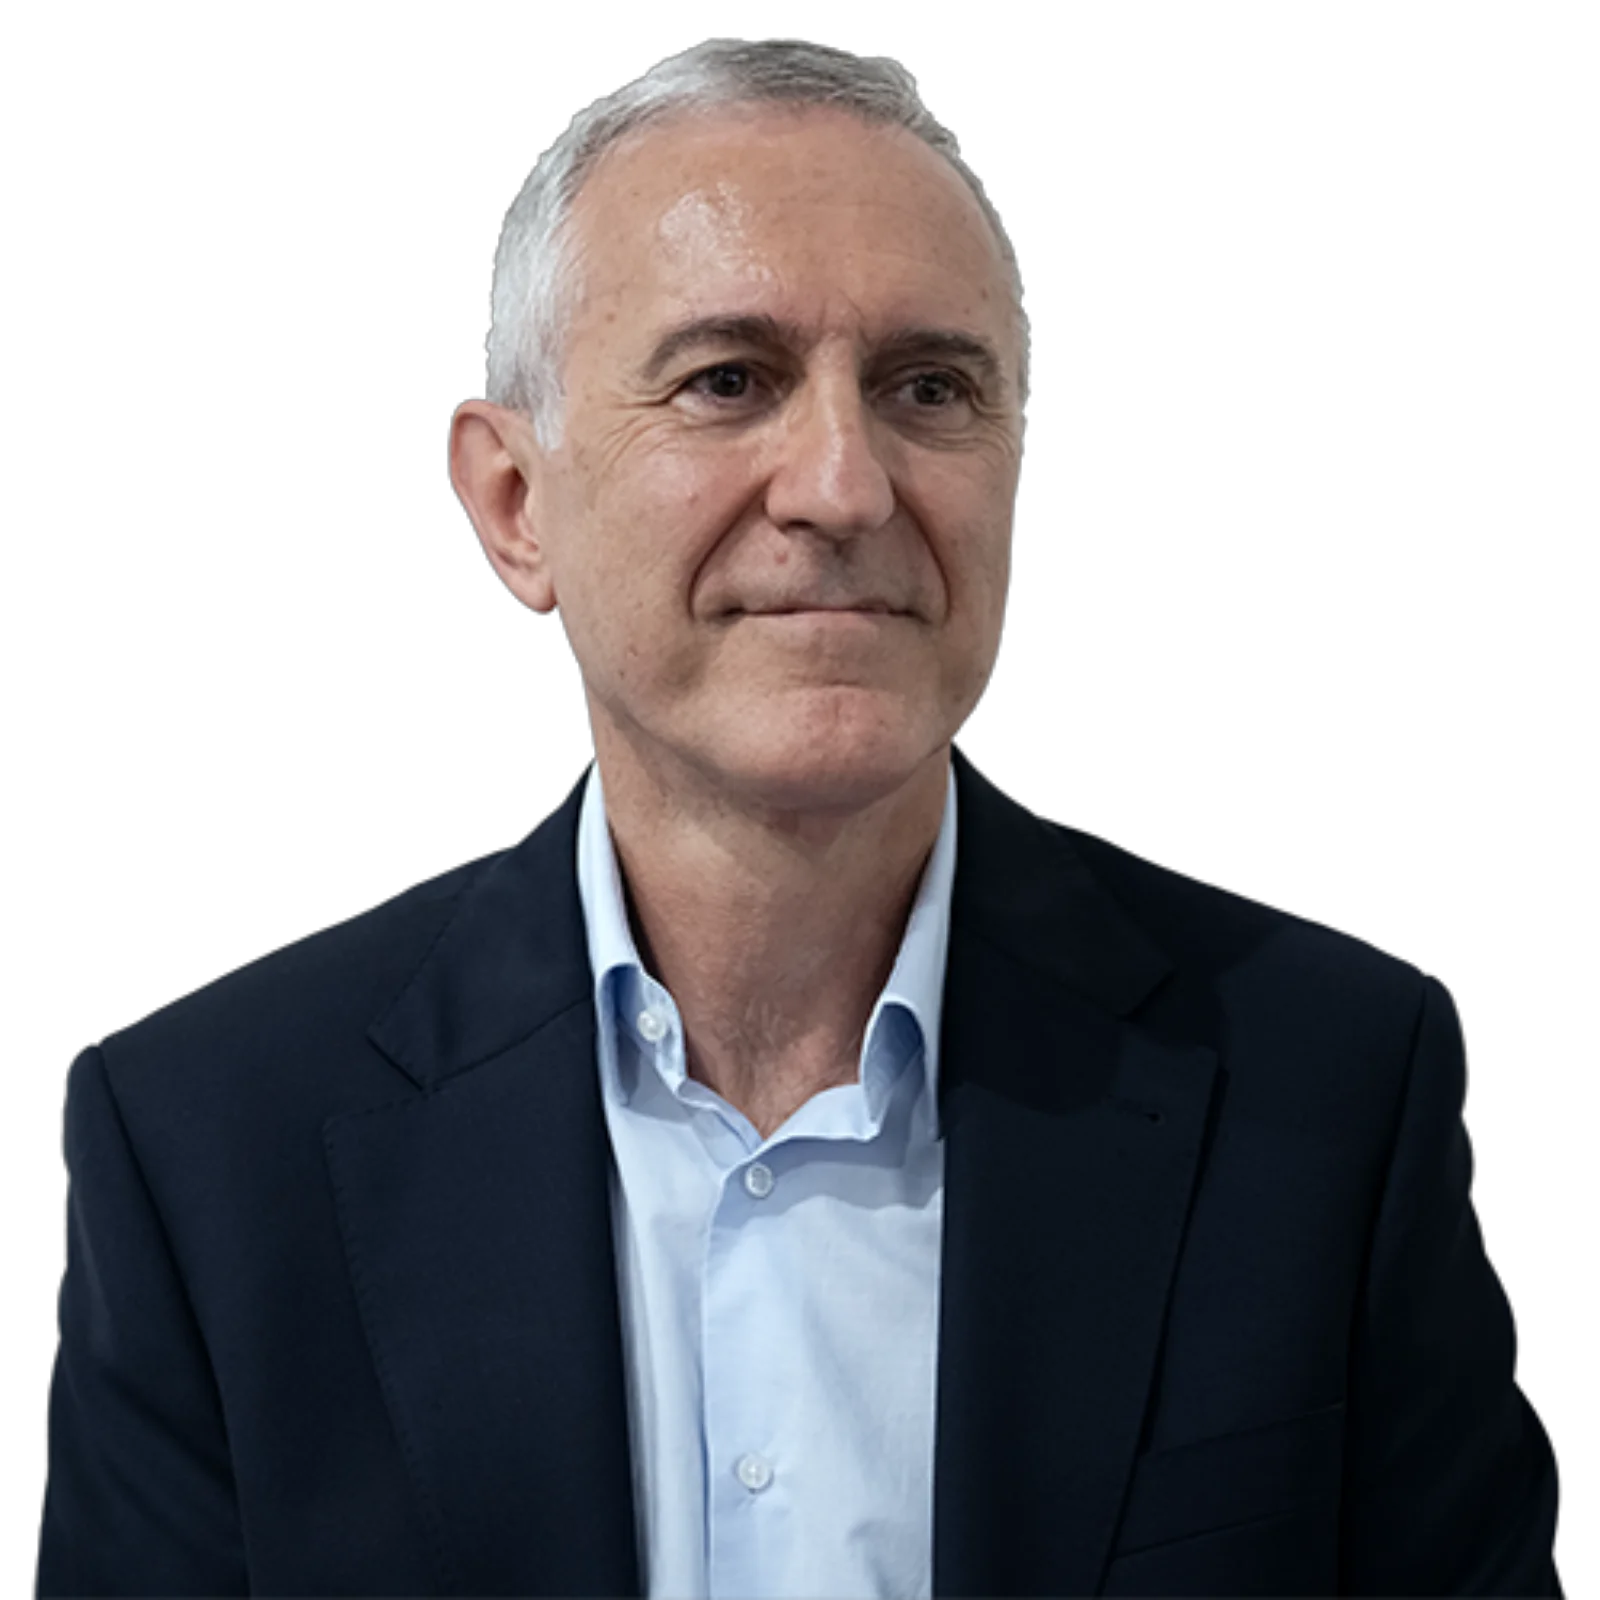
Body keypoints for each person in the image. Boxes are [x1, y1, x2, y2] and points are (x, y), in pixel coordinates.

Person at [36, 36, 1564, 1600]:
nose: (843, 484)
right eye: (727, 380)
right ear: (515, 506)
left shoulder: (1333, 1091)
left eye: (928, 388)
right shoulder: (209, 1150)